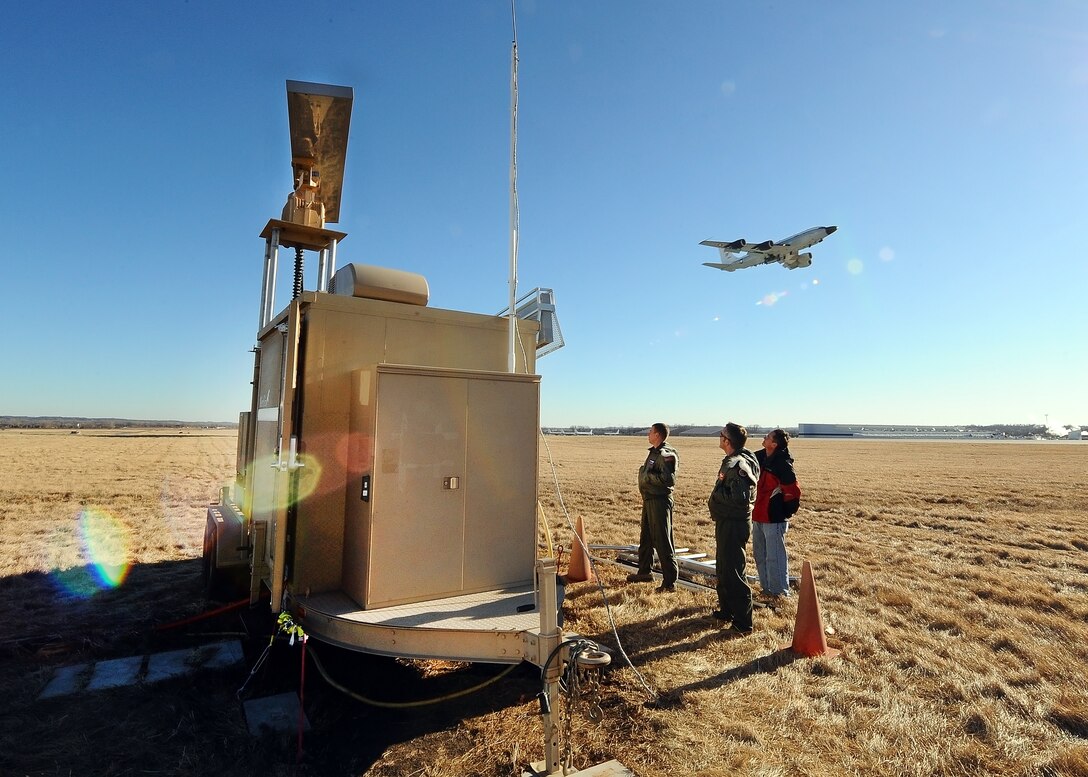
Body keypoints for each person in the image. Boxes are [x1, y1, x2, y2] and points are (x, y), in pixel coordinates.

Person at [706, 422, 760, 635]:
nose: (719, 438)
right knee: (724, 568)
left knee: (734, 570)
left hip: (734, 522)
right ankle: (727, 610)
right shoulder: (735, 460)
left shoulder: (738, 465)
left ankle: (743, 621)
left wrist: (716, 498)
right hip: (727, 521)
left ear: (727, 441)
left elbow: (741, 499)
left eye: (721, 435)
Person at [627, 422, 680, 592]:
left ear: (657, 435)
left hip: (659, 501)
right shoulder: (654, 453)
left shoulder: (666, 454)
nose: (648, 434)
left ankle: (670, 581)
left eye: (650, 432)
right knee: (646, 537)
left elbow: (668, 480)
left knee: (663, 540)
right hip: (649, 499)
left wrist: (648, 477)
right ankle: (644, 572)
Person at [753, 429, 801, 600]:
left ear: (774, 444)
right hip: (757, 514)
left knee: (775, 557)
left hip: (774, 518)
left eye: (768, 437)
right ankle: (766, 589)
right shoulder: (758, 457)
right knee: (760, 555)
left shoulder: (783, 464)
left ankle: (780, 592)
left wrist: (783, 512)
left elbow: (793, 492)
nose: (764, 438)